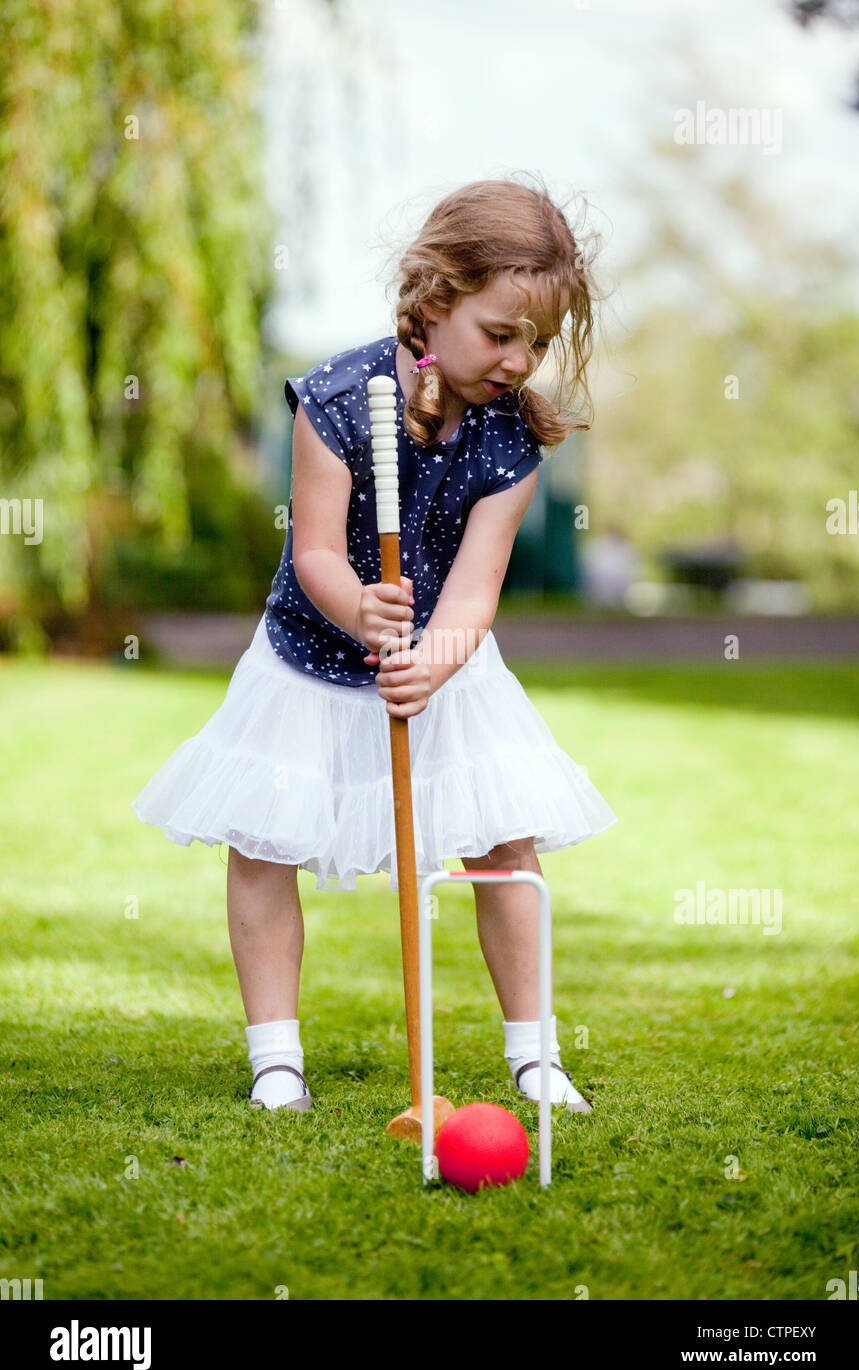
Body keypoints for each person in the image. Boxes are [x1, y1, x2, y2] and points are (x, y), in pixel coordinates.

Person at [131, 176, 618, 1118]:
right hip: (309, 654)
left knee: (503, 839)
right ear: (436, 299)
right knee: (261, 842)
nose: (520, 360)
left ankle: (536, 1056)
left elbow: (475, 592)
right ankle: (276, 1057)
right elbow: (312, 547)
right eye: (501, 333)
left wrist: (431, 662)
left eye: (540, 343)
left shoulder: (510, 440)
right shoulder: (340, 400)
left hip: (444, 657)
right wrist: (360, 610)